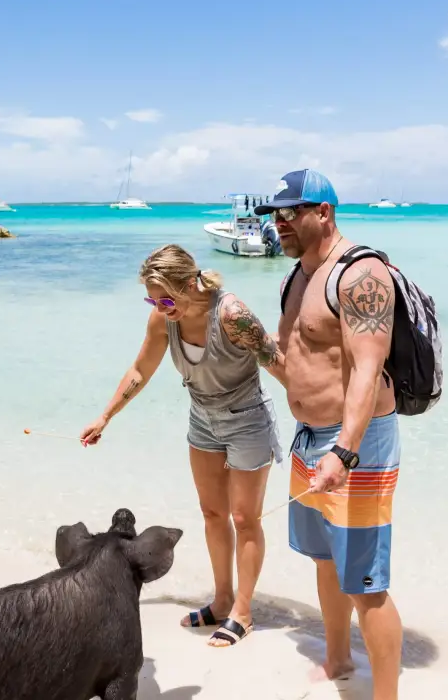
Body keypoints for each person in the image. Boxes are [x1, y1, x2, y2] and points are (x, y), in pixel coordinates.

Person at [80, 244, 286, 648]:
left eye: (168, 297)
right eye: (153, 299)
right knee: (213, 513)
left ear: (191, 281)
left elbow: (277, 363)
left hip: (248, 420)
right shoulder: (163, 318)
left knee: (245, 519)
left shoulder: (232, 315)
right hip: (203, 420)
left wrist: (323, 421)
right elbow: (141, 369)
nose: (161, 306)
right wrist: (106, 416)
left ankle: (243, 611)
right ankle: (222, 599)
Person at [254, 170, 402, 699]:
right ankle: (337, 658)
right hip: (308, 436)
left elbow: (367, 367)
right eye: (273, 213)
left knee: (366, 581)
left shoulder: (360, 274)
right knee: (324, 557)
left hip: (354, 444)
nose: (278, 222)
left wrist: (345, 448)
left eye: (289, 212)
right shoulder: (294, 277)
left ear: (325, 212)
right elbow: (298, 358)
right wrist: (248, 340)